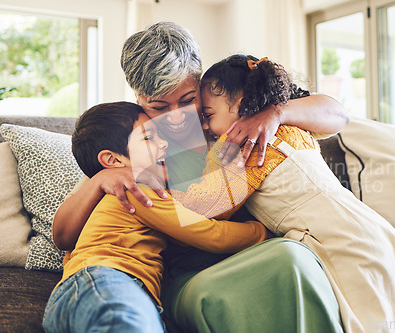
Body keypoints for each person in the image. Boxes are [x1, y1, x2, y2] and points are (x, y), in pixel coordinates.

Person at [52, 21, 348, 332]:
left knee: (296, 259)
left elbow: (338, 115)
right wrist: (99, 181)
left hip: (254, 253)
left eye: (187, 99)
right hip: (190, 277)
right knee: (289, 258)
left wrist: (276, 113)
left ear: (201, 83)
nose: (177, 117)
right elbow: (63, 236)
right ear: (139, 99)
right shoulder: (139, 150)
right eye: (159, 106)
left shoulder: (228, 119)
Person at [180, 54, 395, 332]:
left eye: (207, 115)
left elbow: (208, 204)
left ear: (240, 106)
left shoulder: (242, 144)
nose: (204, 126)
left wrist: (155, 196)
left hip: (333, 240)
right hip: (375, 230)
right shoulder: (293, 128)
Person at [43, 102, 270, 332]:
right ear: (112, 161)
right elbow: (212, 234)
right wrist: (263, 232)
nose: (164, 143)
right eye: (148, 137)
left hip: (89, 294)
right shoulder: (135, 191)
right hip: (105, 282)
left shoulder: (111, 192)